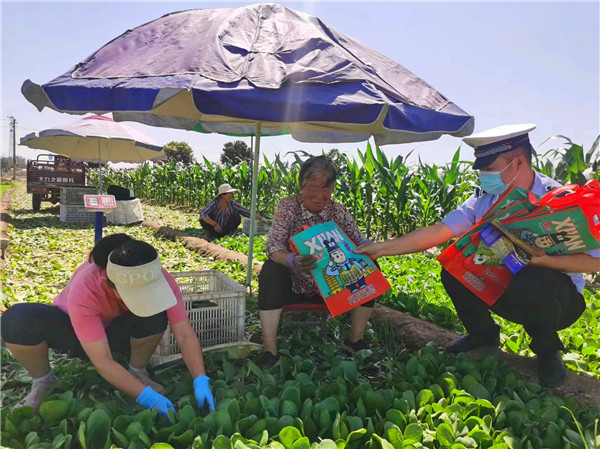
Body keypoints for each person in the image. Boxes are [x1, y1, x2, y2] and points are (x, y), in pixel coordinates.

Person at [356, 124, 599, 387]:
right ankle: (482, 332)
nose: (484, 176)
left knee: (535, 277)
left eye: (490, 169)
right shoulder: (485, 201)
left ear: (518, 162)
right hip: (503, 289)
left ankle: (547, 351)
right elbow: (439, 231)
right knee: (452, 265)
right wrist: (381, 248)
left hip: (556, 301)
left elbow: (595, 261)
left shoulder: (562, 200)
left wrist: (544, 260)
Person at [1, 234, 215, 417]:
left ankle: (136, 371)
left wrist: (200, 380)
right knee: (17, 319)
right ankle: (43, 381)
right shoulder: (86, 287)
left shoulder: (160, 279)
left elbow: (185, 334)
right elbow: (102, 361)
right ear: (110, 285)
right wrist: (149, 399)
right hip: (74, 333)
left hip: (118, 331)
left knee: (157, 312)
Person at [258, 155, 374, 368]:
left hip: (332, 287)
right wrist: (292, 259)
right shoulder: (288, 207)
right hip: (293, 285)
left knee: (370, 267)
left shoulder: (338, 211)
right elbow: (273, 246)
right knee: (271, 269)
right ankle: (269, 349)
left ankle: (355, 339)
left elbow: (359, 239)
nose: (320, 196)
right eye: (313, 187)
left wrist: (369, 247)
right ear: (301, 186)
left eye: (326, 189)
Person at [200, 183, 267, 240]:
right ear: (222, 195)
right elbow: (203, 214)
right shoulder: (214, 203)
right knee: (203, 218)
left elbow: (246, 212)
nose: (232, 195)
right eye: (230, 193)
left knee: (237, 217)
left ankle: (229, 236)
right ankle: (208, 236)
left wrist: (262, 219)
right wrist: (215, 224)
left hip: (225, 229)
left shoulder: (232, 204)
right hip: (213, 228)